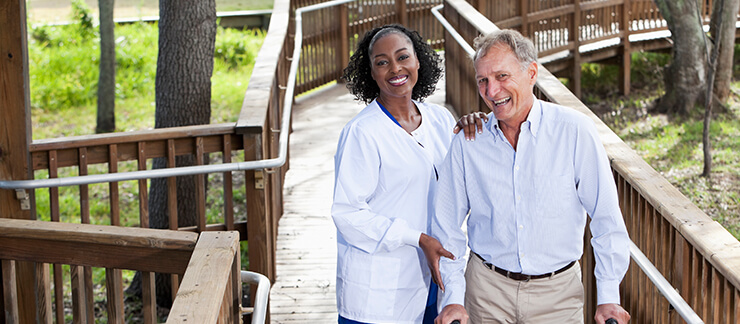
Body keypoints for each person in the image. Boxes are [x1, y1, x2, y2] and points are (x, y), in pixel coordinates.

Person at [427, 29, 632, 324]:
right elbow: (446, 228)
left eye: (502, 77)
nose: (491, 91)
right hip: (487, 293)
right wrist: (453, 300)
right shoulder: (468, 141)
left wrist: (609, 296)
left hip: (558, 297)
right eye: (483, 80)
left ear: (532, 72)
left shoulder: (575, 132)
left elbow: (606, 219)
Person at [332, 24, 472, 323]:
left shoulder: (439, 119)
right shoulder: (362, 132)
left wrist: (482, 126)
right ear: (371, 72)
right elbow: (347, 214)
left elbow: (463, 181)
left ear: (418, 60)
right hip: (379, 293)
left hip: (434, 281)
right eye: (382, 62)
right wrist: (417, 238)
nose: (395, 68)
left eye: (402, 57)